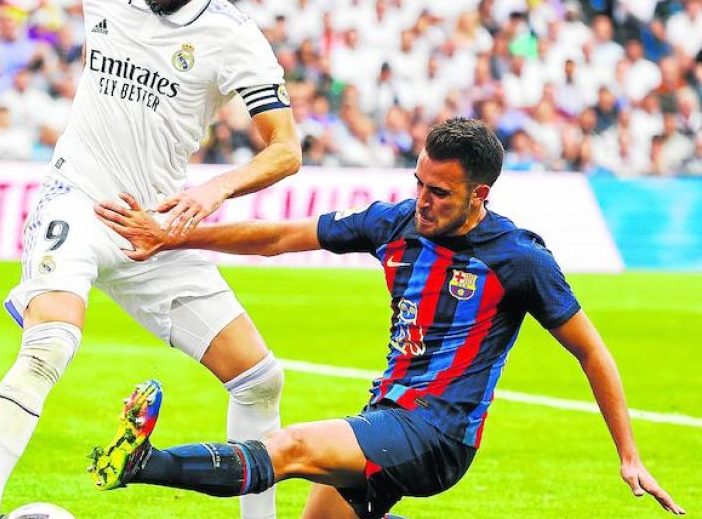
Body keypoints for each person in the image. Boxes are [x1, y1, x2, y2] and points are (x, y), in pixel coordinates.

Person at [89, 118, 685, 518]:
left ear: (480, 196)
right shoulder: (396, 222)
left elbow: (591, 351)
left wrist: (629, 454)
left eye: (441, 193)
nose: (423, 201)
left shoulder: (520, 259)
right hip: (389, 412)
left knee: (291, 446)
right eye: (420, 182)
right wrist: (172, 239)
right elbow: (280, 237)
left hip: (439, 434)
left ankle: (142, 463)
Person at [0, 0, 301, 519]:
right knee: (48, 347)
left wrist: (210, 190)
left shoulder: (234, 38)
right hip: (80, 199)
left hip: (157, 232)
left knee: (261, 380)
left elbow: (286, 151)